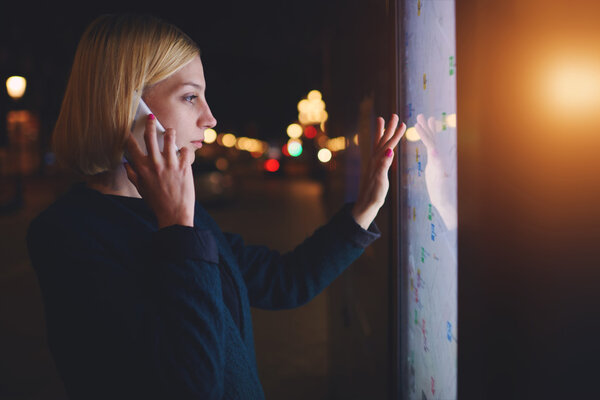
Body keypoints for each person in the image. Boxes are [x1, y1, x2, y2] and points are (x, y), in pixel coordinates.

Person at [26, 14, 406, 400]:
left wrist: (366, 205)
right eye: (190, 97)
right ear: (128, 106)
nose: (210, 118)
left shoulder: (189, 218)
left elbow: (285, 280)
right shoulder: (67, 238)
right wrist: (176, 227)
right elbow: (190, 385)